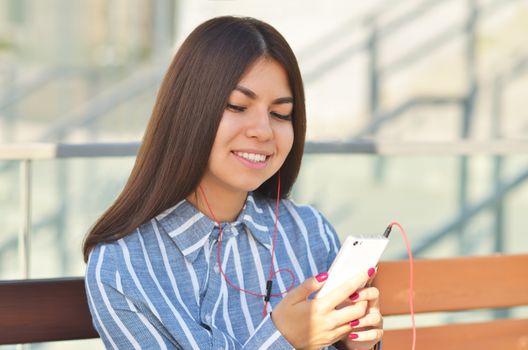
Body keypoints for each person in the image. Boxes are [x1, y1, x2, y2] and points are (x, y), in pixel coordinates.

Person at [83, 16, 383, 350]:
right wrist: (284, 341)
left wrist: (359, 345)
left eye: (281, 114)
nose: (264, 130)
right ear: (189, 111)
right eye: (237, 106)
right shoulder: (124, 268)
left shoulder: (309, 232)